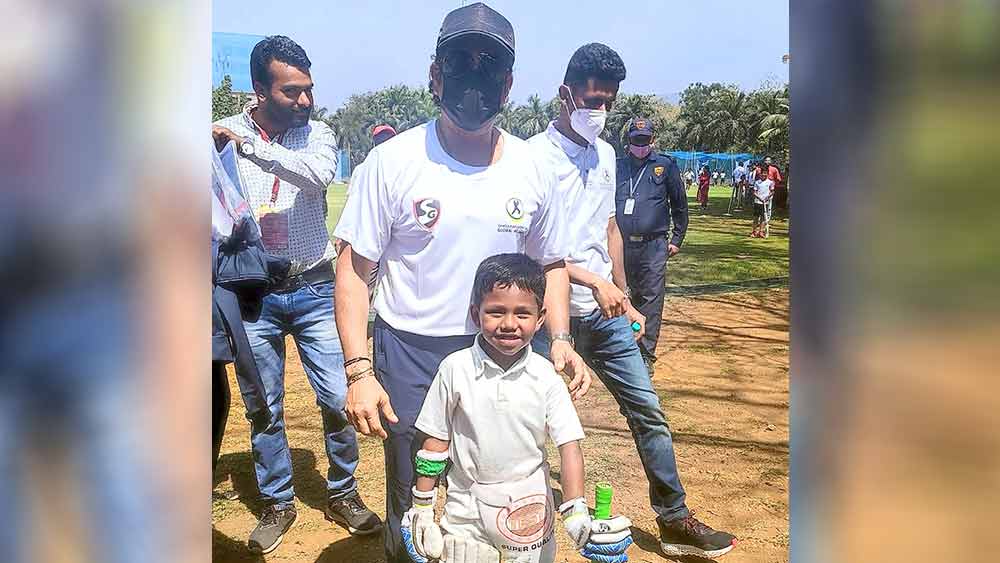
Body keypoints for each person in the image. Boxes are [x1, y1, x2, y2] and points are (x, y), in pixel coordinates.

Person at [332, 5, 590, 562]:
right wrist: (358, 371)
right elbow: (354, 271)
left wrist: (561, 338)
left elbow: (552, 265)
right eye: (459, 62)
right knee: (413, 494)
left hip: (507, 353)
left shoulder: (533, 167)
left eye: (490, 65)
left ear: (509, 83)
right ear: (434, 73)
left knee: (507, 480)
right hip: (413, 355)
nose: (475, 77)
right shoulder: (391, 161)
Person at [528, 43, 737, 560]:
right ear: (565, 93)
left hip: (604, 313)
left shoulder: (604, 156)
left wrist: (620, 290)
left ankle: (673, 518)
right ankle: (523, 520)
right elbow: (532, 251)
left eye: (608, 102)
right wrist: (589, 280)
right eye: (591, 99)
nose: (599, 111)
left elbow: (609, 228)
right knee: (527, 421)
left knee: (647, 410)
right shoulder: (532, 157)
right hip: (545, 316)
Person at [212, 35, 382, 554]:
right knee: (263, 406)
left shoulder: (316, 135)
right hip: (252, 296)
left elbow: (317, 178)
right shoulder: (220, 138)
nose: (305, 101)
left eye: (309, 89)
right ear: (259, 90)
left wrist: (251, 149)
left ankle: (343, 490)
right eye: (292, 92)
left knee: (338, 397)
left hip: (314, 286)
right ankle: (278, 500)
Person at [402, 254, 633, 563]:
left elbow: (569, 447)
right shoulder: (454, 369)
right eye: (496, 312)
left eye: (522, 314)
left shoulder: (546, 375)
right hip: (465, 504)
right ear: (476, 313)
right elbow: (435, 442)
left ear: (540, 318)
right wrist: (422, 506)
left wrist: (576, 511)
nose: (509, 324)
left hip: (530, 507)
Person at [615, 117, 688, 375]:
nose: (641, 146)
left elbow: (679, 204)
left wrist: (677, 238)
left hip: (654, 246)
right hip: (620, 245)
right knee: (622, 296)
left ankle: (645, 354)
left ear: (653, 140)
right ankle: (625, 348)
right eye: (637, 141)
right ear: (629, 142)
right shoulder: (617, 167)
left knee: (651, 299)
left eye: (646, 141)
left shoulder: (664, 166)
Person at [751, 164, 775, 238]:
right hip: (757, 202)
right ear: (760, 174)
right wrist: (759, 198)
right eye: (762, 173)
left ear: (767, 174)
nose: (764, 175)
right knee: (756, 218)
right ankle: (754, 231)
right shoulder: (757, 182)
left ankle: (761, 231)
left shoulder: (770, 182)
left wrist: (767, 197)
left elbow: (772, 191)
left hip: (766, 202)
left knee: (763, 218)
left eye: (765, 173)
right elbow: (754, 192)